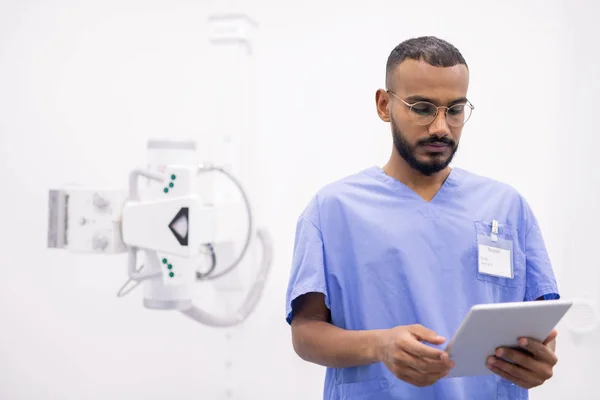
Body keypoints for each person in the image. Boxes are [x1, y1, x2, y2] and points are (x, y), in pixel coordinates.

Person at [284, 36, 560, 399]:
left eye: (455, 110)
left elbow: (539, 332)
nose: (441, 128)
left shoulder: (506, 206)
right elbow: (305, 334)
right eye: (422, 108)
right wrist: (379, 345)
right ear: (385, 105)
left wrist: (539, 362)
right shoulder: (333, 210)